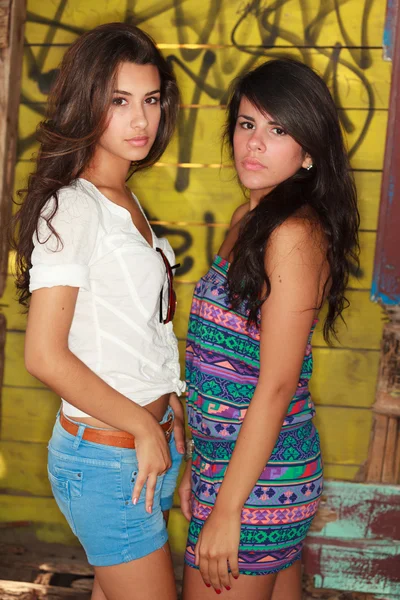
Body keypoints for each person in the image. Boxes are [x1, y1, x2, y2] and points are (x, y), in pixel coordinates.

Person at [11, 23, 185, 600]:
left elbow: (130, 325)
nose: (141, 120)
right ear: (87, 102)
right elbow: (43, 355)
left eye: (151, 100)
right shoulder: (74, 207)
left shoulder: (124, 197)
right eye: (119, 101)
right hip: (111, 457)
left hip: (145, 447)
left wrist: (165, 399)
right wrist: (143, 423)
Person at [179, 59, 359, 600]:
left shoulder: (293, 235)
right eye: (247, 124)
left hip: (260, 482)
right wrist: (198, 465)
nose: (254, 143)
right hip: (233, 466)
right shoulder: (248, 219)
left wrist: (227, 508)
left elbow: (277, 384)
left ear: (308, 153)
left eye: (278, 130)